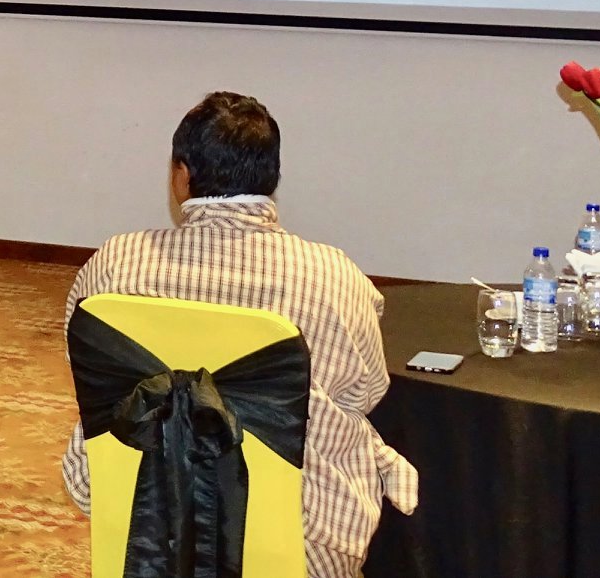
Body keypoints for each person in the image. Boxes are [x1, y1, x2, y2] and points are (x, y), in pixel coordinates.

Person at [60, 90, 417, 578]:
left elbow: (91, 378)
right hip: (301, 536)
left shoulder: (112, 266)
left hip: (144, 524)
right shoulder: (334, 279)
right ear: (272, 179)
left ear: (181, 175)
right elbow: (366, 391)